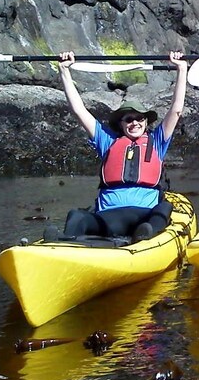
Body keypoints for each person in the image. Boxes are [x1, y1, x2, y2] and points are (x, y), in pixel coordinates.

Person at [44, 49, 187, 242]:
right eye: (129, 119)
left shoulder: (158, 141)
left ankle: (144, 237)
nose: (134, 123)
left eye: (139, 118)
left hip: (144, 216)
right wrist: (64, 70)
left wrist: (181, 69)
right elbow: (79, 111)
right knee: (76, 216)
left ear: (146, 122)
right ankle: (62, 243)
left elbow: (176, 110)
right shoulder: (108, 141)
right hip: (109, 217)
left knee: (164, 207)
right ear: (121, 123)